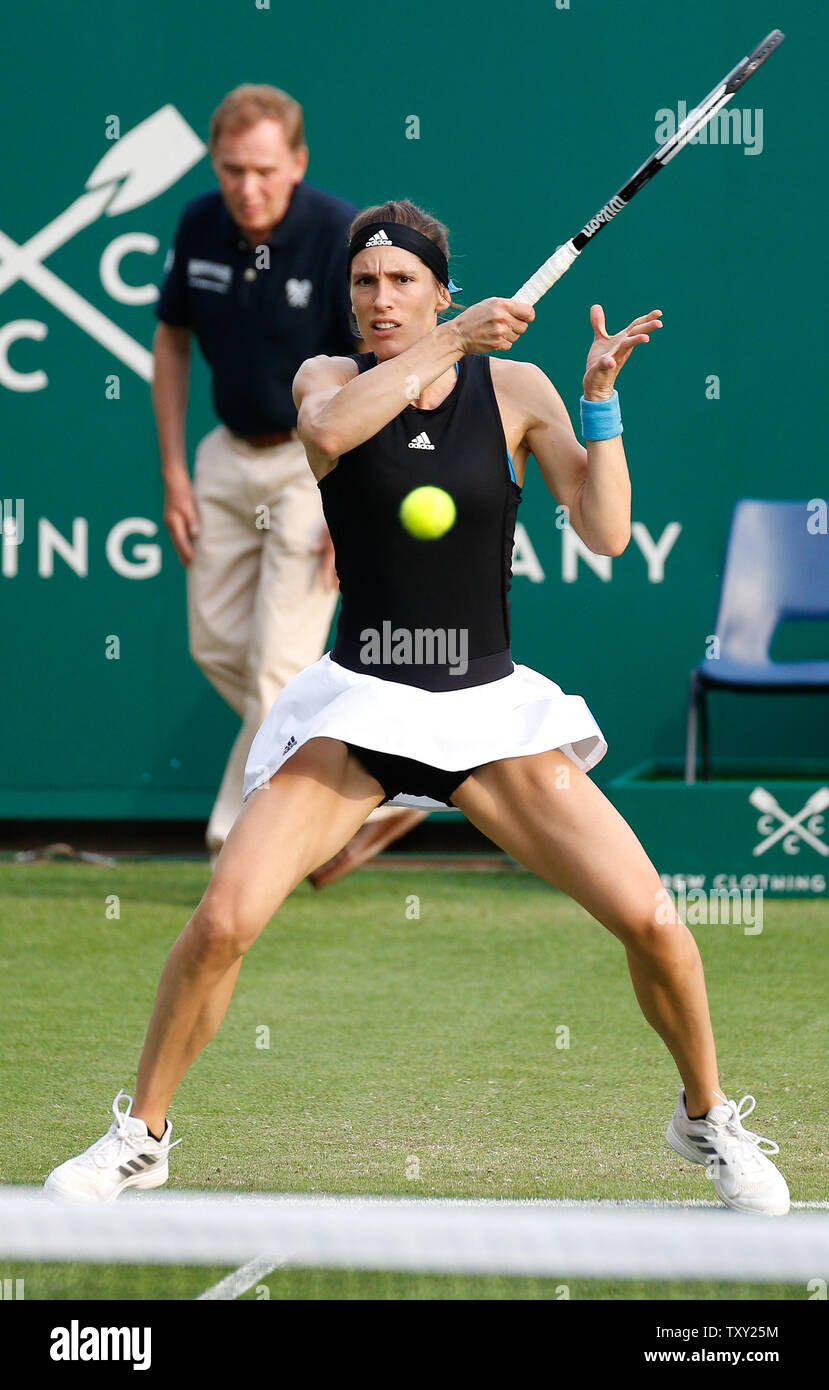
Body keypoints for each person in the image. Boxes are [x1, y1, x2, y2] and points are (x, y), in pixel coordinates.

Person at [46, 200, 789, 1216]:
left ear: (438, 283)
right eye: (365, 282)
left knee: (654, 920)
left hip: (487, 711)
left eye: (402, 281)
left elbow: (607, 531)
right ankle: (142, 1135)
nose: (380, 299)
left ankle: (705, 1119)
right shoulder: (329, 379)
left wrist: (600, 404)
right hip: (358, 711)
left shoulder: (518, 389)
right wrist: (449, 337)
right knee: (222, 919)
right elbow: (329, 434)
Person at [153, 84, 423, 878]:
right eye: (233, 169)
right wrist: (174, 470)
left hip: (315, 464)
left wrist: (356, 508)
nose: (248, 187)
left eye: (265, 170)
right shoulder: (199, 223)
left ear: (297, 163)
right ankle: (380, 774)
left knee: (278, 664)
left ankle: (237, 847)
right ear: (215, 164)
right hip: (223, 456)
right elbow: (170, 344)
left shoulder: (338, 236)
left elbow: (372, 377)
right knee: (215, 644)